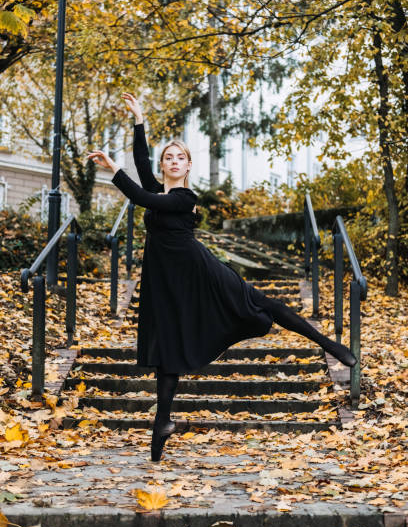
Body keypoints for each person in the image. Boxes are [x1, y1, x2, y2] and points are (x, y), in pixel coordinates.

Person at [88, 93, 357, 463]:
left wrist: (113, 170)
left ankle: (330, 346)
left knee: (262, 303)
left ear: (188, 166)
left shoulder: (184, 196)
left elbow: (139, 197)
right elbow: (142, 167)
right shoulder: (157, 188)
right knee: (167, 348)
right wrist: (138, 121)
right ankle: (162, 421)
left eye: (180, 157)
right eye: (169, 157)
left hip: (200, 271)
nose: (173, 161)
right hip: (166, 281)